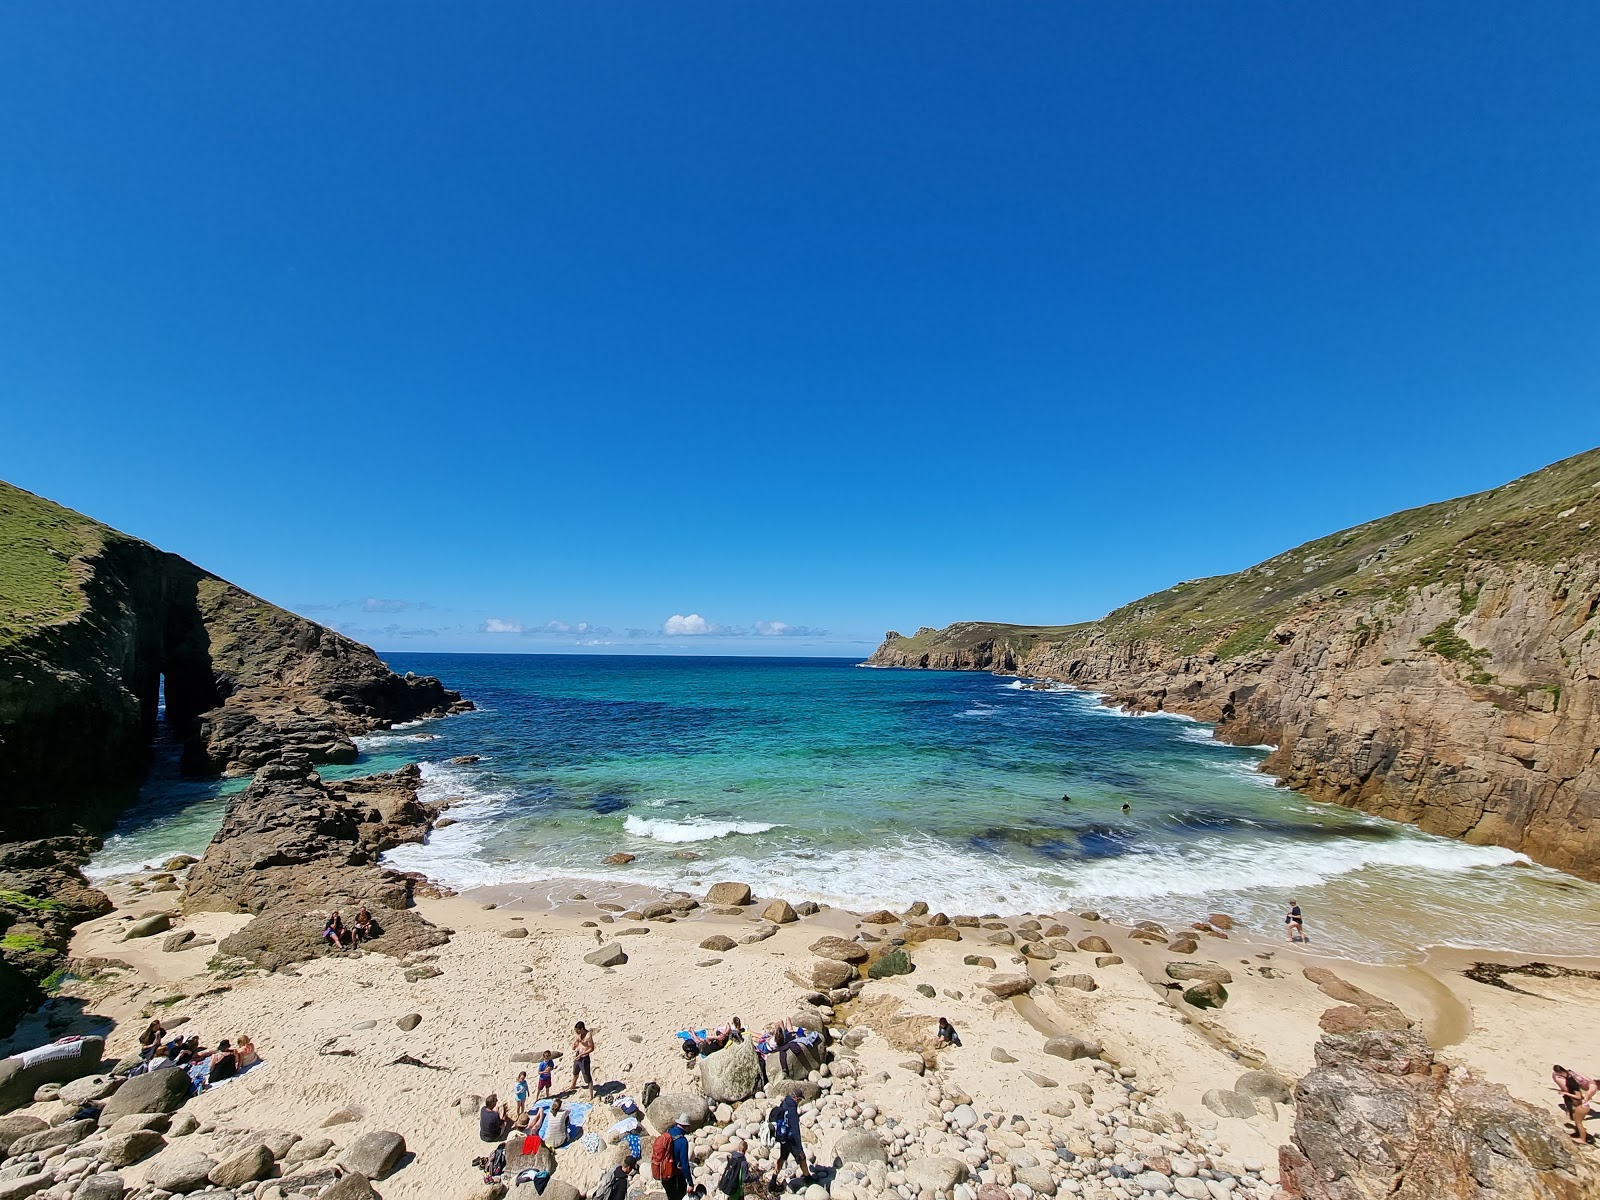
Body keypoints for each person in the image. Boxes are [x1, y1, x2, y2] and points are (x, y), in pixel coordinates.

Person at [768, 1093, 809, 1185]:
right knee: (802, 1157)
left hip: (783, 1138)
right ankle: (808, 1178)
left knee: (782, 1158)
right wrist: (798, 1144)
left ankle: (773, 1180)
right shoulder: (792, 1110)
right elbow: (795, 1129)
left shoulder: (784, 1103)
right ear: (796, 1099)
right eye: (799, 1100)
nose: (799, 1102)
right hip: (791, 1140)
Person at [1553, 1064, 1598, 1142]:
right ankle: (1580, 1134)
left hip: (1583, 1106)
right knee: (1576, 1121)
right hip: (1582, 1105)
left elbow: (1579, 1097)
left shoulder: (1572, 1084)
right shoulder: (1571, 1080)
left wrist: (1566, 1093)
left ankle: (1582, 1139)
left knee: (1578, 1122)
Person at [664, 1115, 695, 1200]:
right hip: (674, 1175)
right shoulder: (682, 1141)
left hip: (664, 1172)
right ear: (686, 1126)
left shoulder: (668, 1132)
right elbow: (684, 1165)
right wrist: (690, 1183)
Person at [571, 1021, 596, 1099]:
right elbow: (577, 1041)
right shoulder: (579, 1034)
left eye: (577, 1030)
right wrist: (574, 1046)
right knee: (575, 1071)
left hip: (584, 1058)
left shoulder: (588, 1036)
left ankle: (591, 1095)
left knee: (587, 1077)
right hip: (578, 1055)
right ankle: (573, 1085)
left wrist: (582, 1054)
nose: (576, 1032)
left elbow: (591, 1048)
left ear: (581, 1029)